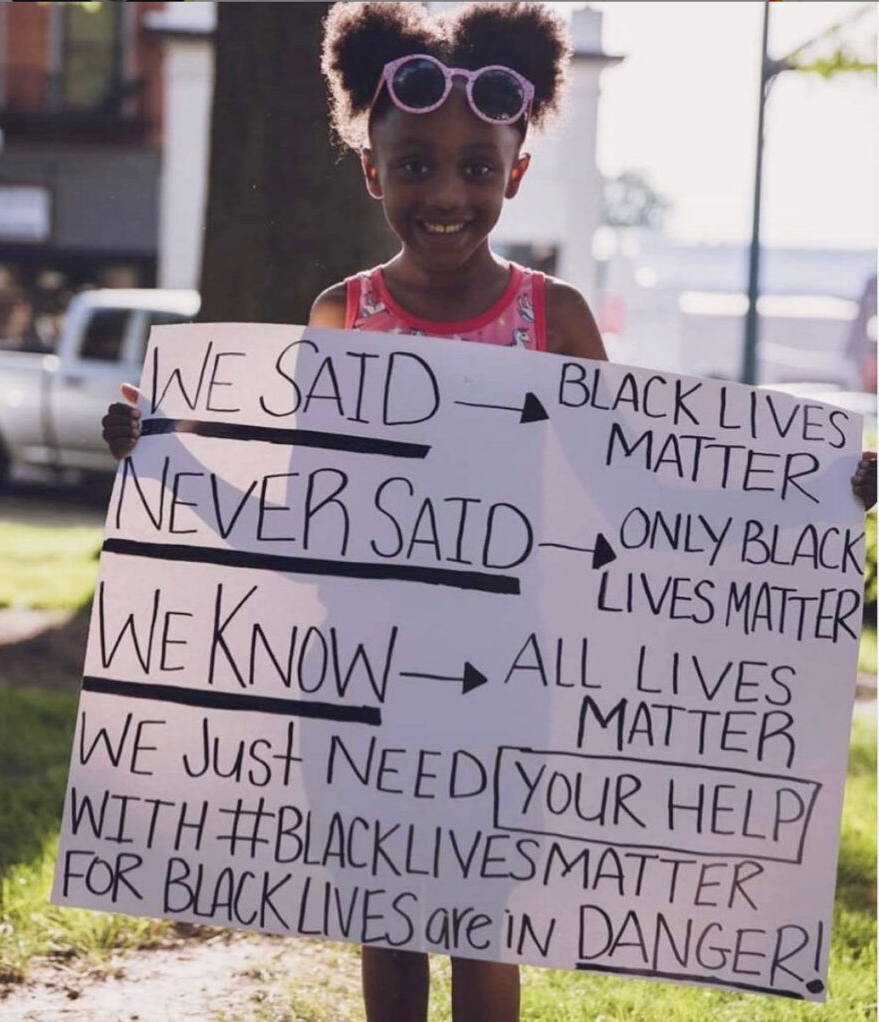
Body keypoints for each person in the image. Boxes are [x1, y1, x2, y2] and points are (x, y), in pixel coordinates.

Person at [101, 3, 876, 1018]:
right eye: (415, 164)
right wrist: (164, 454)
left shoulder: (550, 320)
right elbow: (301, 516)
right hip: (358, 678)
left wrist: (809, 496)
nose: (446, 192)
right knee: (383, 918)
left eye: (476, 166)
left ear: (514, 171)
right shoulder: (343, 315)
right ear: (371, 168)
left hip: (502, 682)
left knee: (481, 922)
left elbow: (634, 493)